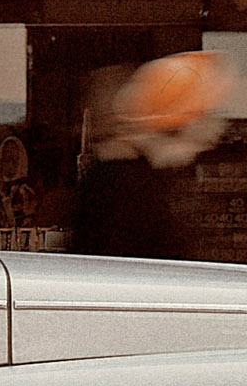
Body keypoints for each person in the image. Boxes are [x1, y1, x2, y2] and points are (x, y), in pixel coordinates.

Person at [74, 51, 232, 262]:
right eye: (203, 115)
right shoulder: (127, 186)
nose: (214, 135)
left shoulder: (128, 179)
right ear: (176, 127)